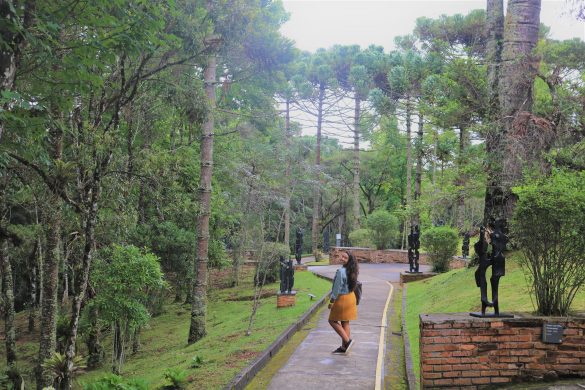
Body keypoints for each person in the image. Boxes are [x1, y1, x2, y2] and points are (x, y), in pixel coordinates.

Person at [328, 250, 359, 354]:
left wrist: (332, 301)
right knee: (345, 321)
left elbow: (336, 288)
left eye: (345, 257)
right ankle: (343, 348)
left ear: (349, 260)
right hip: (351, 297)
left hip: (342, 299)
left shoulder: (341, 271)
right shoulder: (352, 270)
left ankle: (348, 341)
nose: (342, 258)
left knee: (332, 320)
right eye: (342, 256)